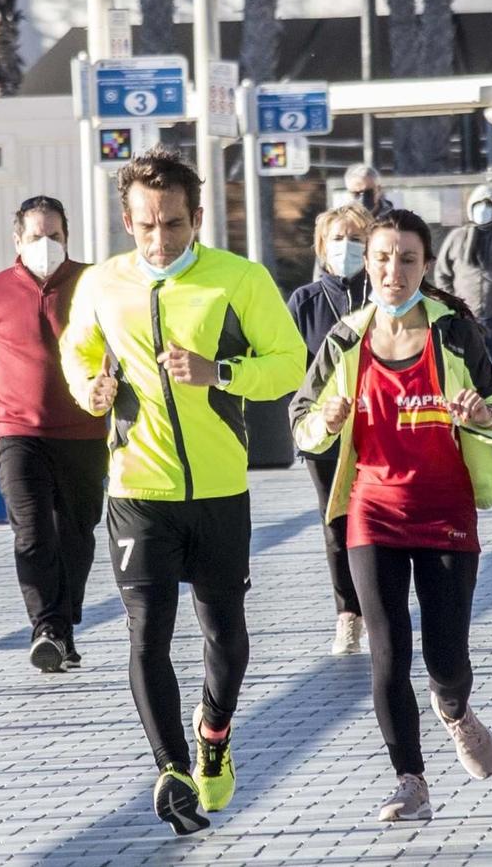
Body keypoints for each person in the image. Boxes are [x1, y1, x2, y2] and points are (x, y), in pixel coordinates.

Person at [61, 148, 307, 835]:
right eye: (145, 224)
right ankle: (171, 768)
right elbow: (77, 354)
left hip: (221, 487)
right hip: (137, 486)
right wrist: (92, 388)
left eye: (171, 222)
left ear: (196, 216)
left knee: (225, 633)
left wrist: (217, 368)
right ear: (126, 219)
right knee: (147, 633)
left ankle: (214, 733)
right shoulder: (104, 284)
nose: (158, 238)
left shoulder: (238, 279)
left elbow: (287, 363)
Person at [289, 209, 492, 824]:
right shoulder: (345, 337)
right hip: (372, 511)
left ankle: (454, 710)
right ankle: (410, 780)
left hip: (445, 509)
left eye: (406, 260)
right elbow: (301, 419)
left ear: (425, 266)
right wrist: (328, 420)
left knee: (446, 659)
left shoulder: (454, 332)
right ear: (366, 265)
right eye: (381, 258)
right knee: (388, 652)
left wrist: (481, 415)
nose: (392, 271)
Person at [0, 195, 109, 673]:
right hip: (18, 431)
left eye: (54, 236)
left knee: (76, 533)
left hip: (84, 430)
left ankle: (64, 626)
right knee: (31, 533)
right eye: (35, 237)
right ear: (17, 239)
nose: (45, 245)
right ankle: (46, 627)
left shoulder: (94, 284)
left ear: (67, 237)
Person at [286, 203, 374, 655]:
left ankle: (379, 608)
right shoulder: (305, 301)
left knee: (378, 520)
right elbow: (291, 369)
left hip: (377, 428)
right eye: (338, 238)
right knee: (336, 521)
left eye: (356, 238)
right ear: (322, 246)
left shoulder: (381, 296)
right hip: (326, 432)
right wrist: (313, 416)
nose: (347, 247)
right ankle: (348, 614)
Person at [432, 184, 492, 398]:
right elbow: (442, 274)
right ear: (470, 207)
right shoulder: (458, 237)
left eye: (488, 204)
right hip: (466, 319)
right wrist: (452, 303)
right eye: (478, 205)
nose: (483, 209)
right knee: (468, 370)